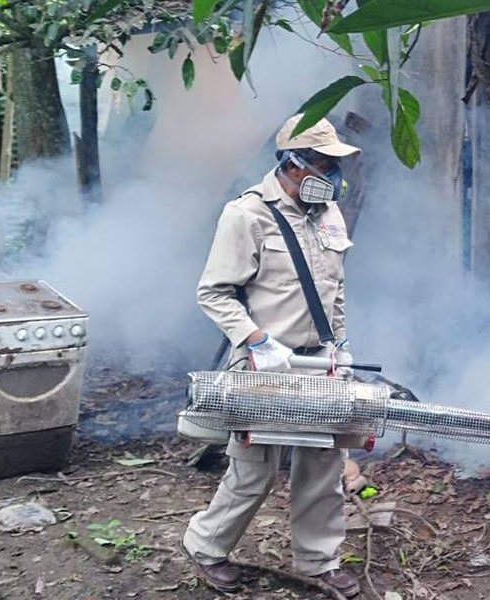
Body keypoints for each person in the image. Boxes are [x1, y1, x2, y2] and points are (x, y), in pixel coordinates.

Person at [180, 114, 361, 596]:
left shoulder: (329, 214)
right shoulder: (246, 214)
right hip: (266, 364)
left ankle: (320, 561)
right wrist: (256, 340)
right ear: (295, 164)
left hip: (319, 361)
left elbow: (334, 291)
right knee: (254, 470)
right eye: (325, 166)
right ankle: (206, 547)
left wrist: (339, 347)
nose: (333, 178)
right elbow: (214, 292)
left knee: (324, 468)